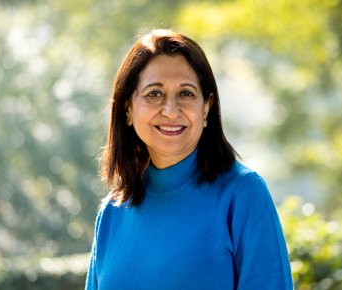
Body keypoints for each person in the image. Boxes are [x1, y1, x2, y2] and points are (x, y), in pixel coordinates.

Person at [86, 29, 293, 290]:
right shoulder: (112, 212)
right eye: (154, 93)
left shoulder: (242, 193)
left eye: (186, 93)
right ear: (128, 108)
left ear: (206, 107)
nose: (171, 111)